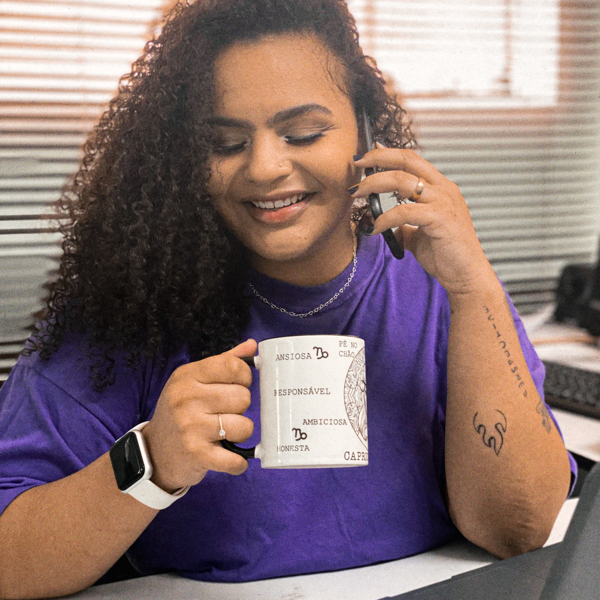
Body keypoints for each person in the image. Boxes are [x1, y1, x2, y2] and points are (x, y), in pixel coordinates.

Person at [0, 0, 574, 598]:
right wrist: (151, 463)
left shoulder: (438, 281)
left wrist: (473, 287)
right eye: (225, 143)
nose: (265, 168)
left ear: (367, 132)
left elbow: (518, 530)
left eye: (303, 134)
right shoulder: (129, 304)